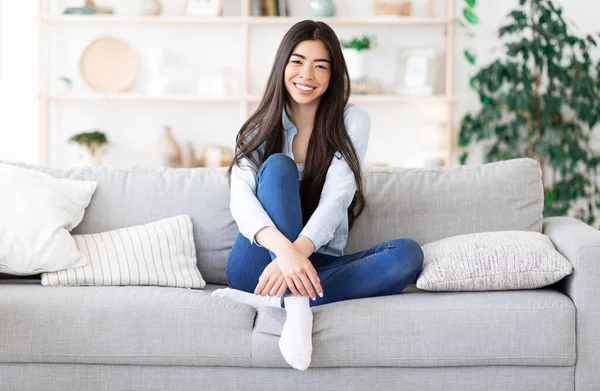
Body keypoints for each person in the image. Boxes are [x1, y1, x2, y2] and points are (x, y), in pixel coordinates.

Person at [211, 20, 424, 371]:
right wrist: (285, 253)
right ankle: (298, 306)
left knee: (407, 255)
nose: (306, 74)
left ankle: (285, 300)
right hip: (259, 264)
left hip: (316, 263)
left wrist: (299, 256)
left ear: (333, 74)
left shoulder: (352, 120)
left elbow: (338, 196)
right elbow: (241, 200)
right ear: (282, 66)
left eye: (320, 65)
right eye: (297, 61)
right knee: (278, 166)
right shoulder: (258, 124)